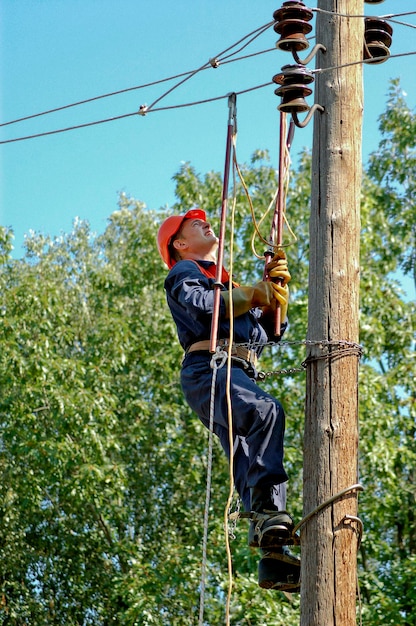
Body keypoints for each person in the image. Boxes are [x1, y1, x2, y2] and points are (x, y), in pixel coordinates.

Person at [157, 207, 300, 591]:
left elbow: (269, 335)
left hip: (233, 371)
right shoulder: (186, 272)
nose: (205, 223)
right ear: (181, 244)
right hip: (209, 369)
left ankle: (272, 552)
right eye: (193, 224)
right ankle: (270, 512)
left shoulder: (224, 282)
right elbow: (205, 310)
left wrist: (275, 297)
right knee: (265, 413)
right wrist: (254, 293)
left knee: (248, 452)